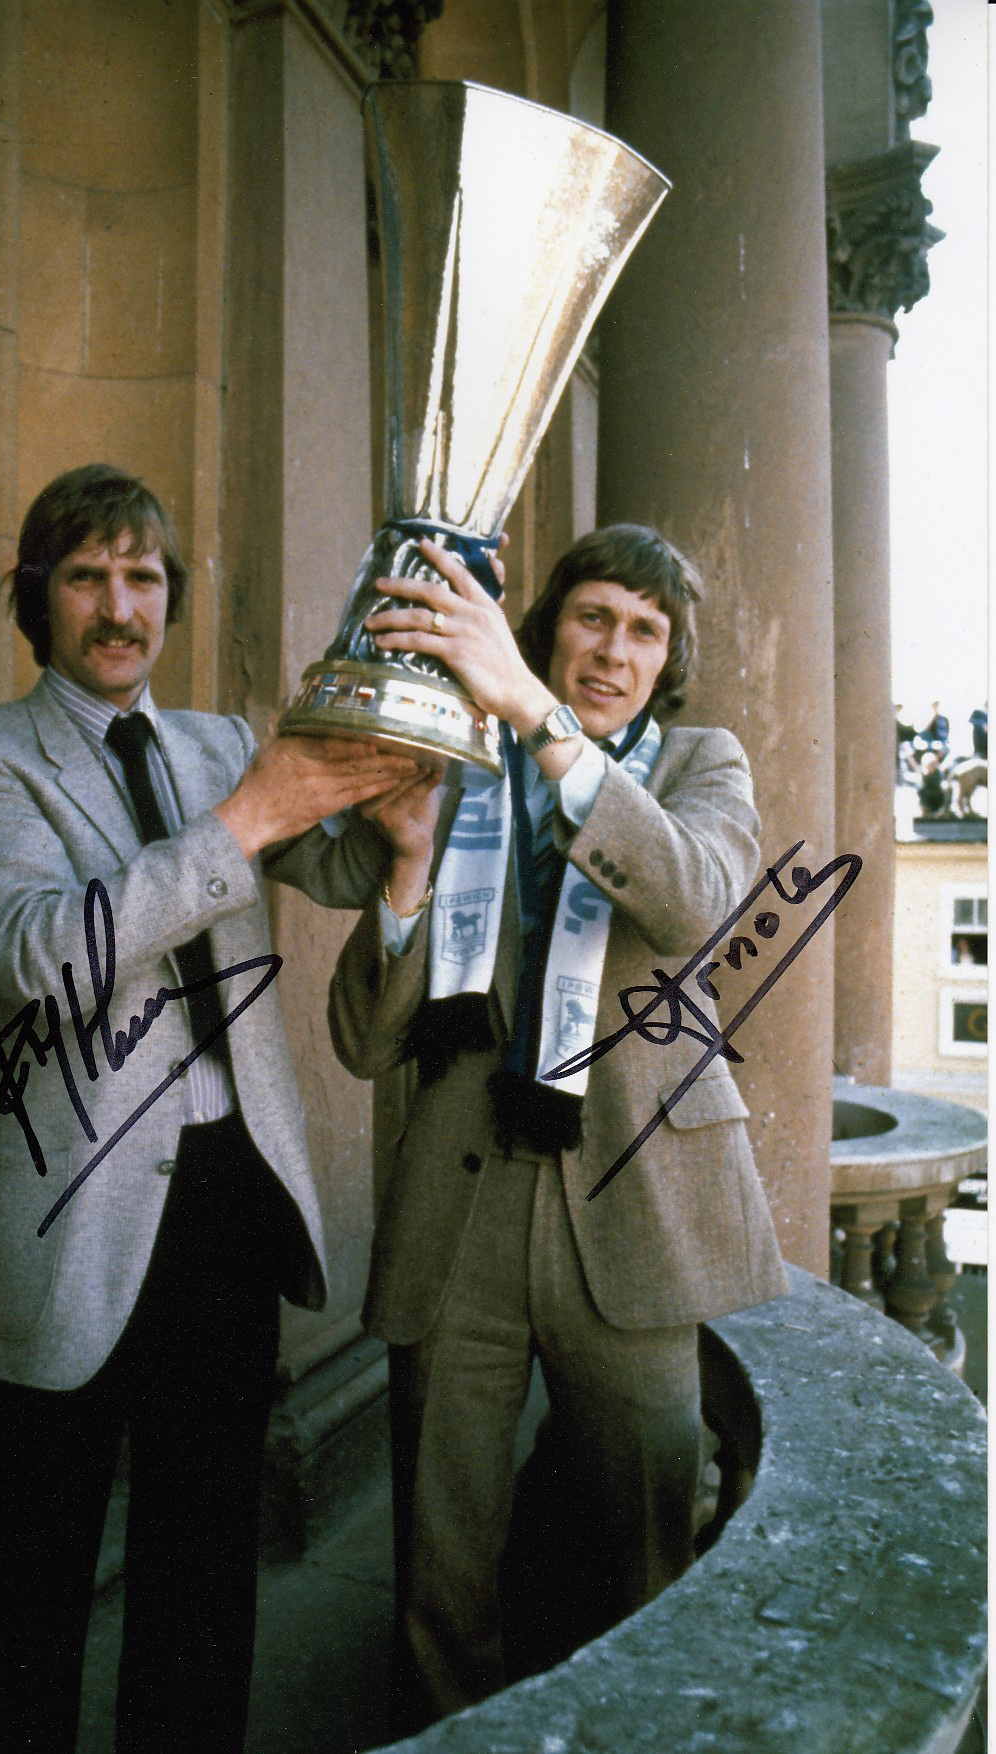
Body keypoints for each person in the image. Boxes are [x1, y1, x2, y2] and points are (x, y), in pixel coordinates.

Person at [0, 463, 421, 1753]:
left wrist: (402, 832)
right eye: (87, 575)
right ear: (38, 599)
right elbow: (42, 956)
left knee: (201, 1576)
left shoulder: (212, 741)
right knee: (23, 1593)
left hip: (231, 1197)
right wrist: (245, 820)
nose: (120, 605)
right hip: (69, 1218)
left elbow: (336, 861)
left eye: (143, 576)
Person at [327, 524, 788, 1723]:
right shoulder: (461, 767)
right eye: (591, 616)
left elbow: (689, 898)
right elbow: (363, 1041)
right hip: (460, 1210)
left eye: (644, 630)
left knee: (642, 1556)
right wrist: (408, 867)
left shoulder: (701, 762)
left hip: (632, 1211)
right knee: (438, 1573)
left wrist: (539, 721)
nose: (613, 648)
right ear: (546, 626)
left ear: (666, 658)